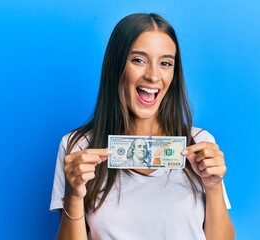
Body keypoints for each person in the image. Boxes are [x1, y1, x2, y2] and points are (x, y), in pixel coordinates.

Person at [50, 13, 235, 240]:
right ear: (117, 66)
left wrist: (214, 186)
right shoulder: (77, 146)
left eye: (165, 63)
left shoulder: (200, 144)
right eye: (138, 60)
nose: (153, 76)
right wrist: (74, 195)